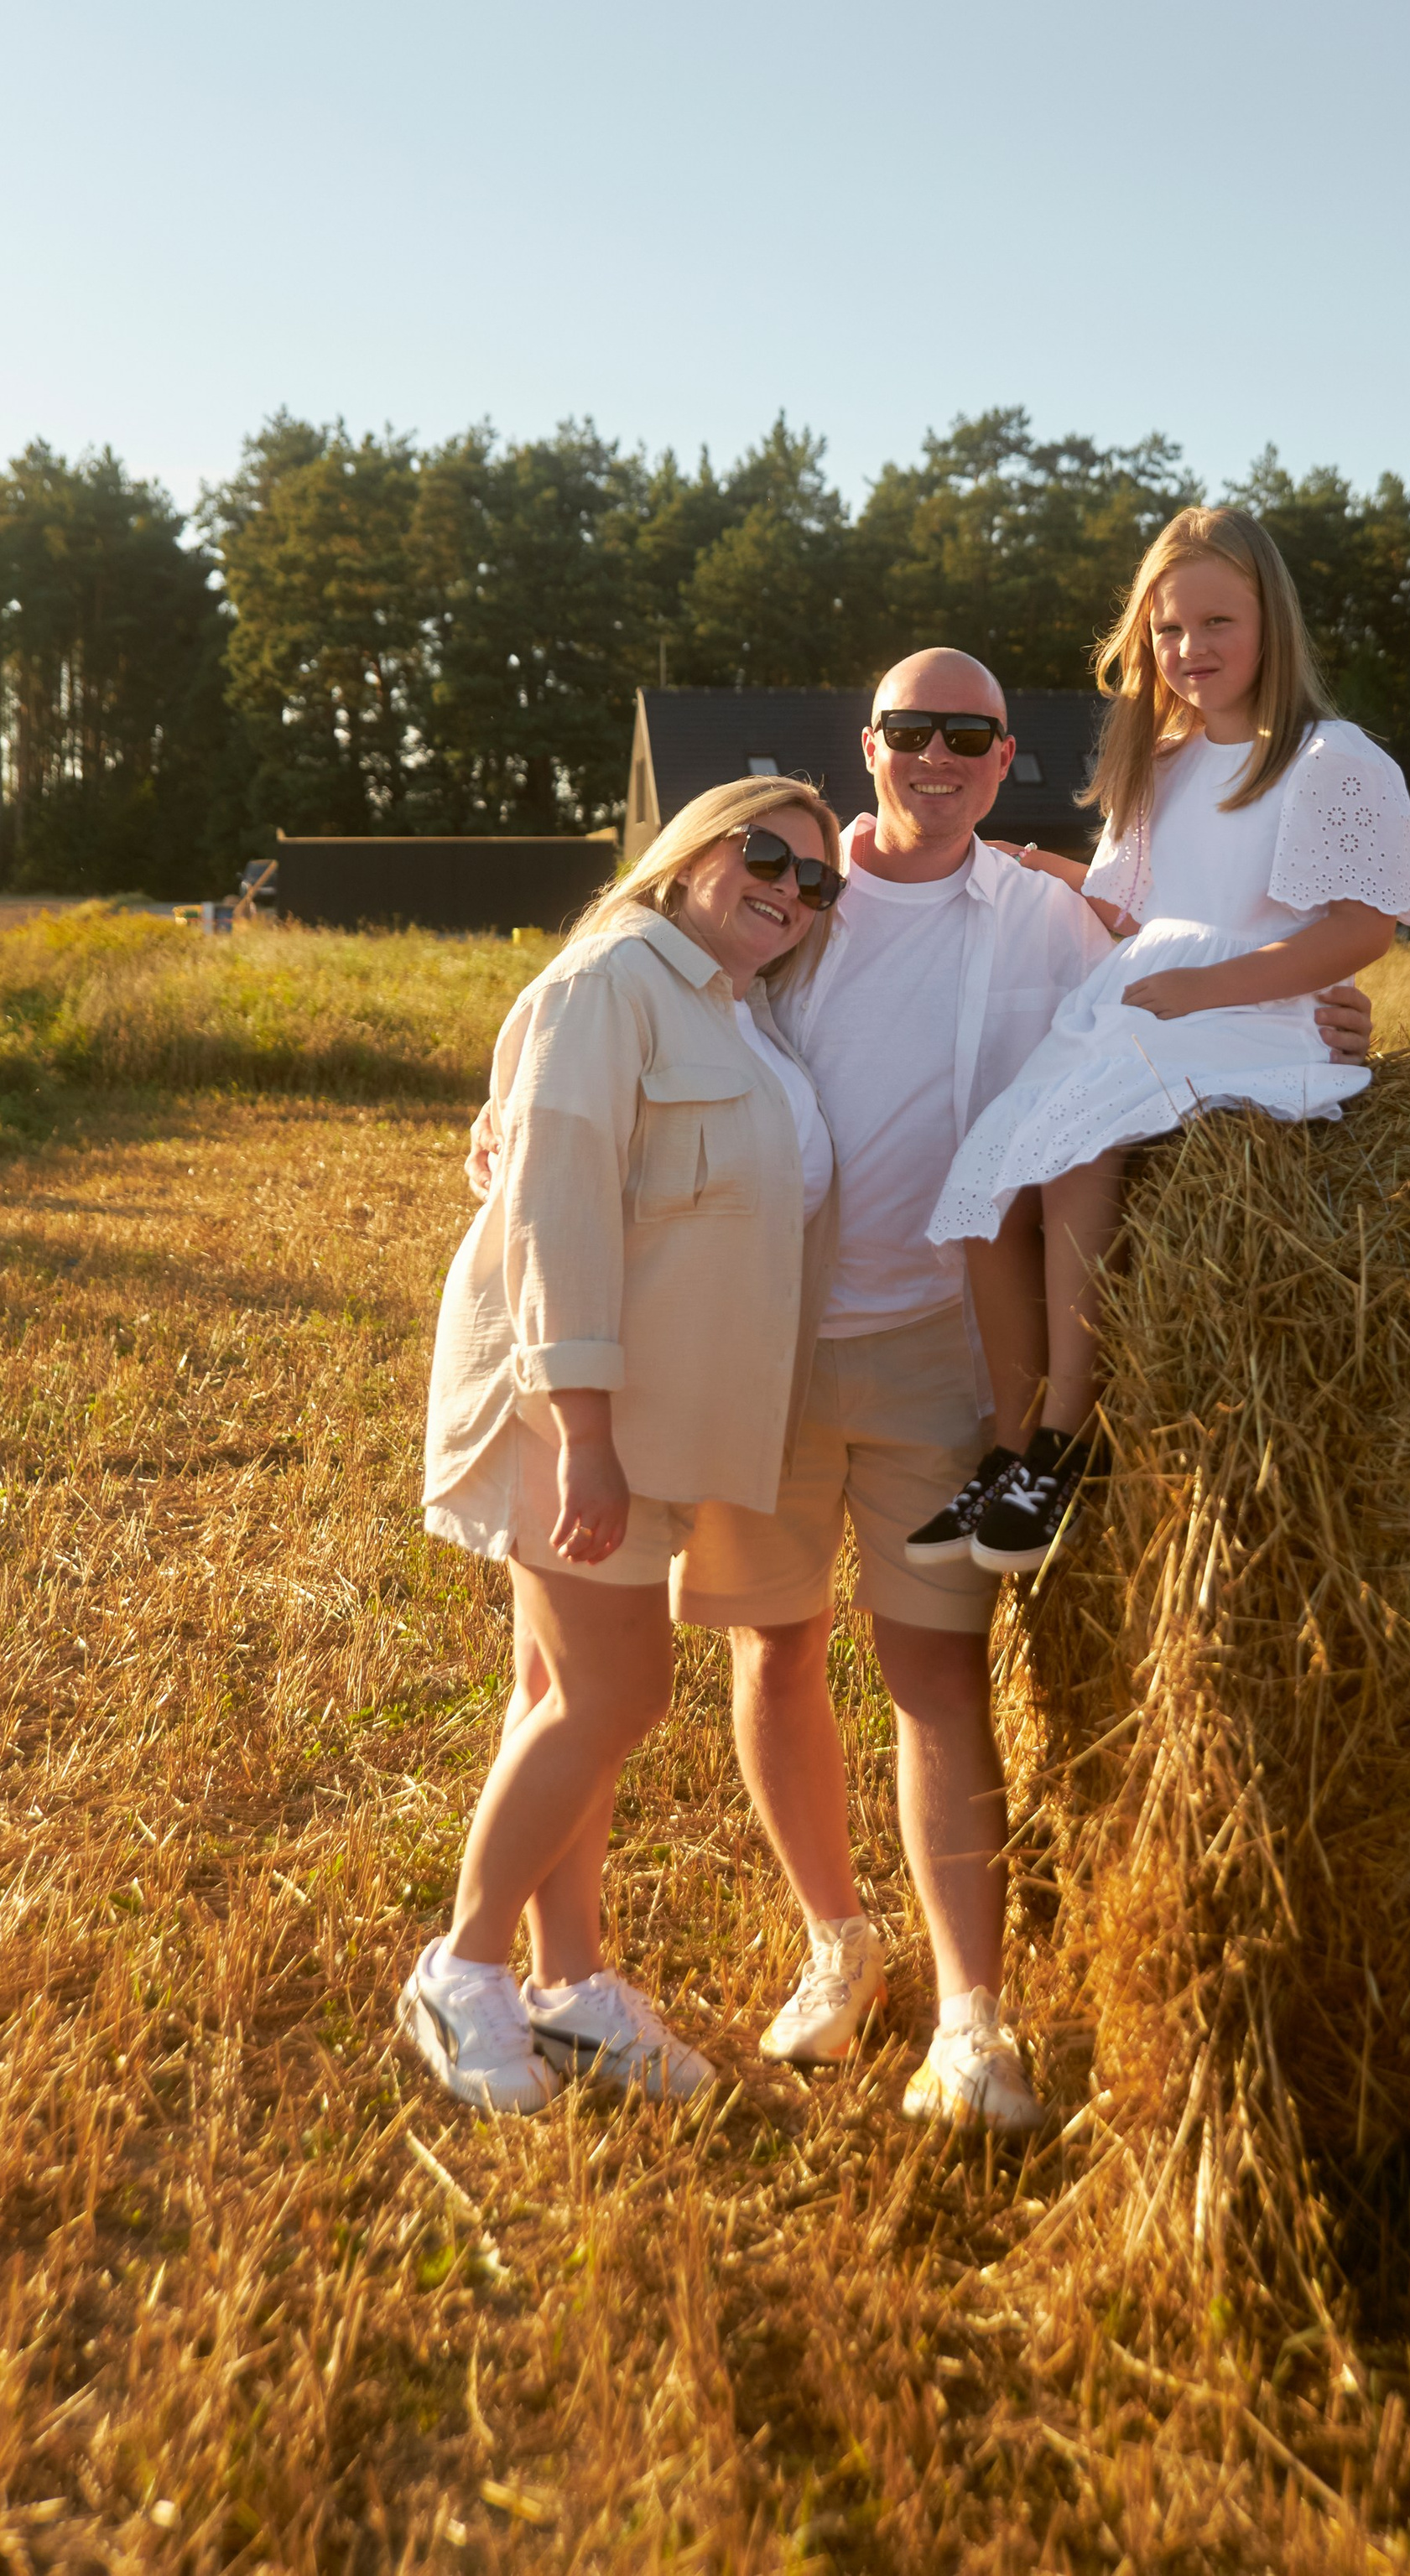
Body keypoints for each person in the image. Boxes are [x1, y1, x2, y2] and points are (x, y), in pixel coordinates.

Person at [467, 645, 1377, 2131]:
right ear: (869, 745)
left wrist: (1325, 1020)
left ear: (1007, 759)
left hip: (938, 1354)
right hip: (752, 1344)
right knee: (774, 1647)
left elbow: (1189, 993)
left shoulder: (1052, 916)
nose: (936, 757)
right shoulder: (792, 898)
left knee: (936, 1678)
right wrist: (502, 1119)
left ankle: (972, 2020)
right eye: (910, 731)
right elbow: (607, 1008)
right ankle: (836, 1942)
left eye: (969, 736)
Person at [399, 778, 845, 2116]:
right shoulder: (612, 981)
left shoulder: (732, 1007)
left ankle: (573, 1984)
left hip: (657, 1415)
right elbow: (556, 1207)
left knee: (560, 1698)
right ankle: (462, 1970)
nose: (789, 889)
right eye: (767, 854)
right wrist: (581, 1425)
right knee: (615, 1692)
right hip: (579, 1405)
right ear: (694, 849)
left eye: (817, 881)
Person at [916, 507, 1410, 1578]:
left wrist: (1204, 987)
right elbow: (1125, 915)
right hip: (1153, 1006)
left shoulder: (1330, 759)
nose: (1189, 650)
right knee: (986, 1178)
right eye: (1165, 630)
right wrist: (1029, 868)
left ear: (1270, 623)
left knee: (1076, 1153)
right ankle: (1008, 1444)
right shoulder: (1163, 762)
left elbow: (1357, 927)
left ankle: (1069, 1439)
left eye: (1216, 622)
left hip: (1256, 1015)